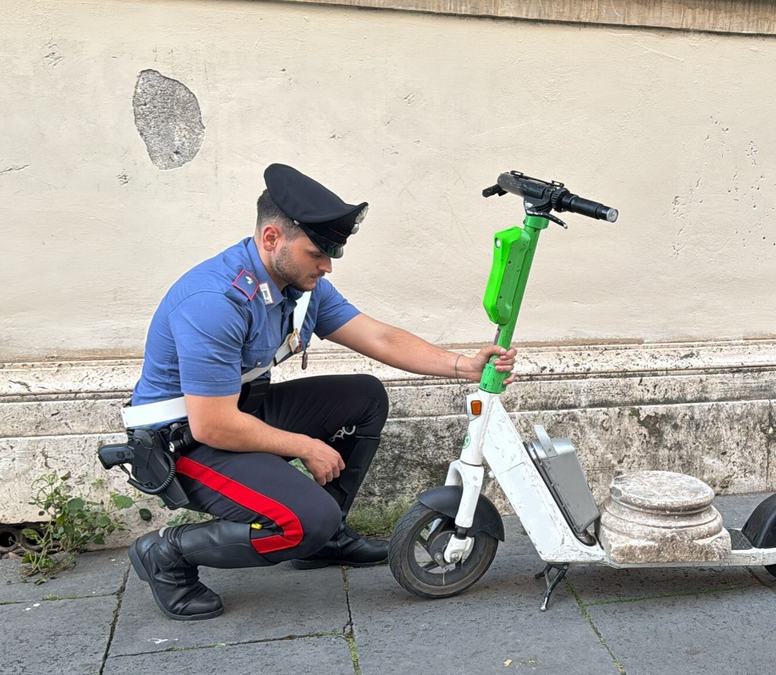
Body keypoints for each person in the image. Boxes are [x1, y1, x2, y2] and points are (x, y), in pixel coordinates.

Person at [123, 163, 517, 621]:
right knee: (307, 520)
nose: (327, 266)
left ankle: (325, 541)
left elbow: (379, 337)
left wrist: (463, 365)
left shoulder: (300, 287)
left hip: (238, 413)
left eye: (333, 253)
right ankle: (166, 553)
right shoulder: (214, 302)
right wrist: (305, 446)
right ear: (272, 238)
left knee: (364, 397)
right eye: (317, 253)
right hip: (184, 441)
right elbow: (213, 425)